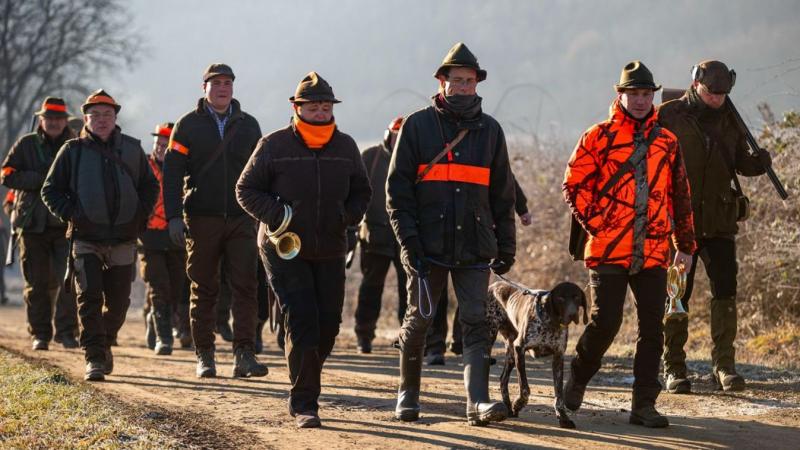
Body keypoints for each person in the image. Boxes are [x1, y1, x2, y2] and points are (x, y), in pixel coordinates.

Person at [387, 42, 516, 426]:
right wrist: (408, 243)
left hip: (475, 248)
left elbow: (502, 196)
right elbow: (397, 194)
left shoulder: (491, 131)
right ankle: (407, 396)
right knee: (421, 319)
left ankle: (478, 402)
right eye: (455, 80)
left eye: (468, 81)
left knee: (476, 321)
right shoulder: (416, 125)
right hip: (426, 246)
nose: (462, 87)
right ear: (441, 82)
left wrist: (506, 245)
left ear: (477, 84)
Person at [562, 61, 696, 428]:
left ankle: (644, 405)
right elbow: (574, 184)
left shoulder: (667, 142)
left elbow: (680, 195)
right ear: (619, 95)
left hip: (654, 249)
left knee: (653, 327)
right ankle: (575, 381)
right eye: (633, 94)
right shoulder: (598, 136)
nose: (640, 100)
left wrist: (684, 244)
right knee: (606, 322)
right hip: (608, 248)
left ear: (653, 96)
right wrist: (599, 223)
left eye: (645, 94)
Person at [237, 71, 371, 428]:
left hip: (330, 246)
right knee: (303, 321)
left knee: (328, 325)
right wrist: (278, 215)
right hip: (282, 249)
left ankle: (302, 363)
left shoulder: (346, 146)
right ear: (296, 107)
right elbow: (245, 189)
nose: (320, 113)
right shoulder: (273, 145)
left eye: (325, 107)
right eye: (312, 107)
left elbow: (363, 191)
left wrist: (346, 215)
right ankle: (304, 403)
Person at [658, 60, 771, 393]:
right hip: (681, 224)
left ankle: (724, 366)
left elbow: (738, 161)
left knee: (726, 293)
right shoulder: (670, 115)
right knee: (677, 295)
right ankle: (673, 368)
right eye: (712, 93)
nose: (717, 99)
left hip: (721, 222)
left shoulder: (730, 119)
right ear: (696, 85)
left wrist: (757, 163)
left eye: (723, 94)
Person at [42, 89, 159, 381]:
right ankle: (94, 357)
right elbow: (50, 190)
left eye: (107, 114)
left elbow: (149, 186)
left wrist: (139, 215)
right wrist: (72, 214)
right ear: (85, 118)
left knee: (119, 303)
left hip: (123, 238)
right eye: (95, 115)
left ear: (115, 117)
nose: (102, 120)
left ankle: (104, 342)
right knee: (89, 298)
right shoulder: (71, 150)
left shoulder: (132, 149)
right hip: (85, 238)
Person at [162, 63, 267, 379]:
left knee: (246, 288)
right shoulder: (186, 126)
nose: (223, 88)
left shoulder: (250, 126)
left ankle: (244, 355)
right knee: (204, 288)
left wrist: (264, 216)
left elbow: (262, 172)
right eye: (216, 83)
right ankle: (205, 355)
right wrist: (173, 217)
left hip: (242, 219)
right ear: (203, 87)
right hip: (201, 218)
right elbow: (171, 174)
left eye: (228, 83)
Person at [2, 97, 80, 350]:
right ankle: (40, 334)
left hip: (64, 225)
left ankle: (67, 333)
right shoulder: (26, 145)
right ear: (41, 120)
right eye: (49, 118)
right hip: (31, 225)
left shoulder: (76, 145)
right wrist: (38, 179)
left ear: (65, 120)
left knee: (68, 282)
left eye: (58, 118)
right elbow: (6, 175)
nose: (54, 122)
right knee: (36, 285)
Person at [353, 116, 408, 354]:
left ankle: (409, 337)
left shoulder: (414, 160)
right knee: (370, 288)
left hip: (406, 237)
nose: (399, 139)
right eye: (396, 134)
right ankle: (363, 335)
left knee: (410, 290)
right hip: (375, 236)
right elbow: (354, 192)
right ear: (388, 134)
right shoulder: (370, 157)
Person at [138, 122, 188, 355]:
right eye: (158, 143)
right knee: (159, 286)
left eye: (164, 144)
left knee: (177, 288)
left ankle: (152, 318)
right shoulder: (143, 166)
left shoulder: (183, 169)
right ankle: (164, 337)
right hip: (149, 237)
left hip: (177, 236)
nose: (160, 148)